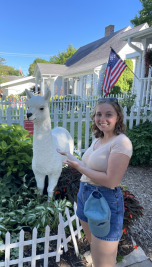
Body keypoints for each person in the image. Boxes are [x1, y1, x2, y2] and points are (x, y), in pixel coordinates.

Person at [56, 98, 133, 267]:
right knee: (95, 249)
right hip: (86, 195)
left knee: (104, 262)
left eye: (108, 114)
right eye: (99, 114)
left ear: (118, 117)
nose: (102, 118)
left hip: (104, 199)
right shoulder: (99, 140)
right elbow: (89, 167)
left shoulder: (121, 142)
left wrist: (79, 167)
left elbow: (112, 181)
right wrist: (72, 158)